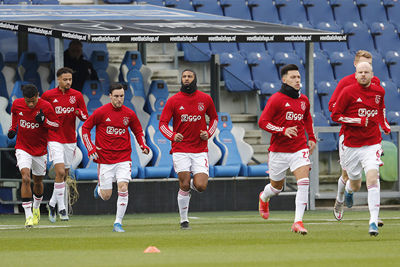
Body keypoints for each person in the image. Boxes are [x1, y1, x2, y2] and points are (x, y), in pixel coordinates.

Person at [331, 62, 390, 236]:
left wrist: (384, 124)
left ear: (372, 74)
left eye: (367, 72)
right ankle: (346, 193)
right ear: (355, 75)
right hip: (351, 145)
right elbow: (335, 115)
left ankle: (372, 221)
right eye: (360, 72)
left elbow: (380, 111)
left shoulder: (379, 92)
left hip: (372, 143)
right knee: (355, 183)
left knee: (372, 178)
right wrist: (357, 120)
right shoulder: (348, 92)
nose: (363, 75)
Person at [82, 83, 149, 232]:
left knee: (123, 187)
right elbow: (85, 128)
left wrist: (143, 145)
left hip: (124, 157)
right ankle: (99, 189)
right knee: (106, 196)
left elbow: (138, 130)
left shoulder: (129, 114)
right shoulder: (101, 112)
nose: (119, 99)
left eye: (122, 96)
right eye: (116, 96)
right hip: (105, 159)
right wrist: (90, 147)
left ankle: (118, 223)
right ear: (110, 96)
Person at [258, 64, 316, 235]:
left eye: (298, 77)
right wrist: (282, 130)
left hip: (299, 148)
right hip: (278, 150)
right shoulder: (276, 99)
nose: (297, 80)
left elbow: (307, 120)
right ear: (284, 79)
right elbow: (263, 122)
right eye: (293, 77)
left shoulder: (304, 100)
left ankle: (297, 221)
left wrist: (311, 138)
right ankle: (264, 197)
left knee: (304, 182)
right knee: (276, 188)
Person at [159, 69, 218, 230]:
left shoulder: (205, 99)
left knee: (200, 186)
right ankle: (184, 220)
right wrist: (172, 135)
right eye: (184, 76)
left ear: (195, 79)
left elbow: (214, 118)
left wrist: (209, 133)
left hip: (200, 150)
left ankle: (191, 185)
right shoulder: (174, 100)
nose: (186, 79)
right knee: (184, 184)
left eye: (189, 76)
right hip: (180, 149)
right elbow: (162, 123)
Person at [41, 67, 89, 223]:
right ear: (58, 80)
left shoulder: (77, 95)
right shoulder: (48, 96)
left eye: (70, 79)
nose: (68, 82)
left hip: (70, 139)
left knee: (64, 174)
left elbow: (84, 116)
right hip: (54, 138)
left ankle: (52, 204)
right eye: (65, 79)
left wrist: (79, 114)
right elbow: (40, 114)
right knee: (60, 171)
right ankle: (62, 209)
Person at [8, 84, 59, 227]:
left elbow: (56, 125)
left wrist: (44, 122)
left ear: (38, 96)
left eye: (33, 100)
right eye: (27, 100)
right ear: (23, 98)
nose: (30, 104)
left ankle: (36, 208)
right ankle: (28, 215)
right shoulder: (17, 104)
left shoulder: (46, 106)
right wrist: (13, 129)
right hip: (23, 148)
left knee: (37, 181)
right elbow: (14, 115)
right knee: (25, 177)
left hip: (40, 150)